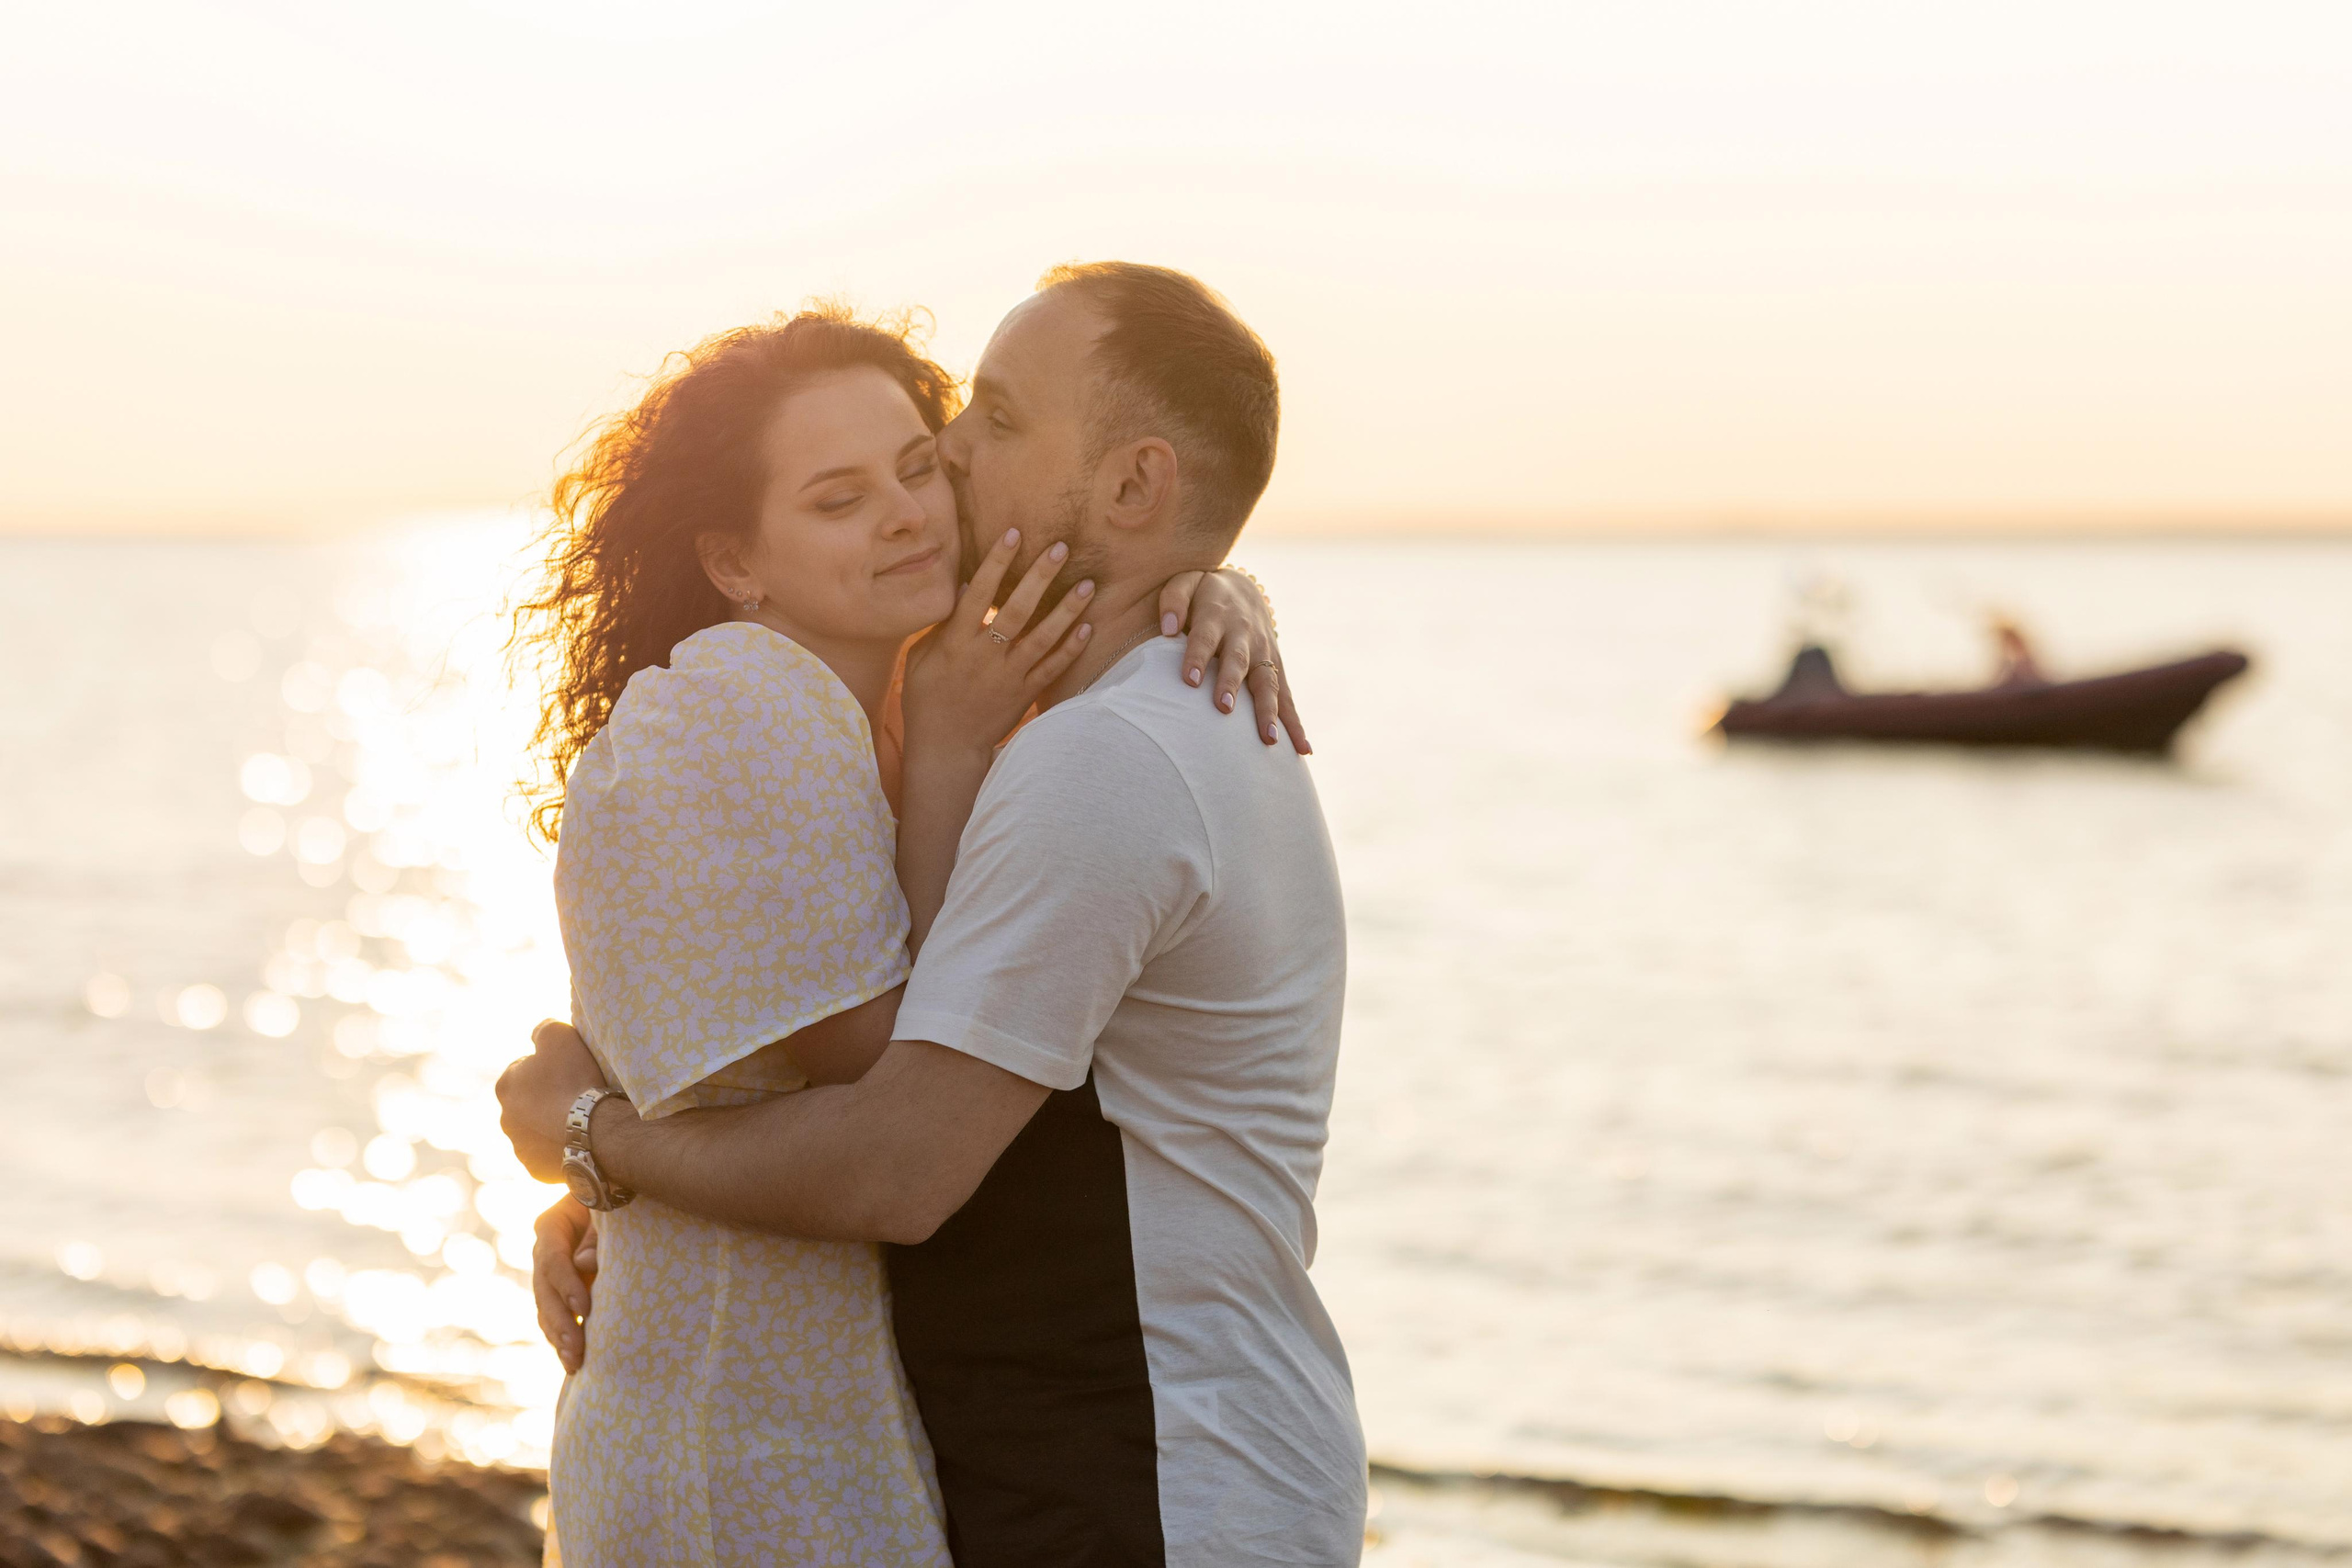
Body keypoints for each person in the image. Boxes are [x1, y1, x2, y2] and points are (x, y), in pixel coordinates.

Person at [501, 262, 1367, 1566]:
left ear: (1135, 489)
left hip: (1158, 1488)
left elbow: (896, 1164)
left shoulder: (1103, 755)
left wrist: (596, 1142)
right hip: (1093, 1466)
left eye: (992, 423)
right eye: (855, 488)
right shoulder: (1006, 718)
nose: (949, 462)